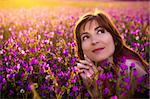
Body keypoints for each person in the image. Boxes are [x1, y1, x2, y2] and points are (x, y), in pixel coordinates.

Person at [74, 10, 149, 98]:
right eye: (85, 37)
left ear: (114, 39)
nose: (94, 41)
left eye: (100, 31)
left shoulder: (130, 70)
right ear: (81, 49)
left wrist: (96, 92)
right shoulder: (87, 73)